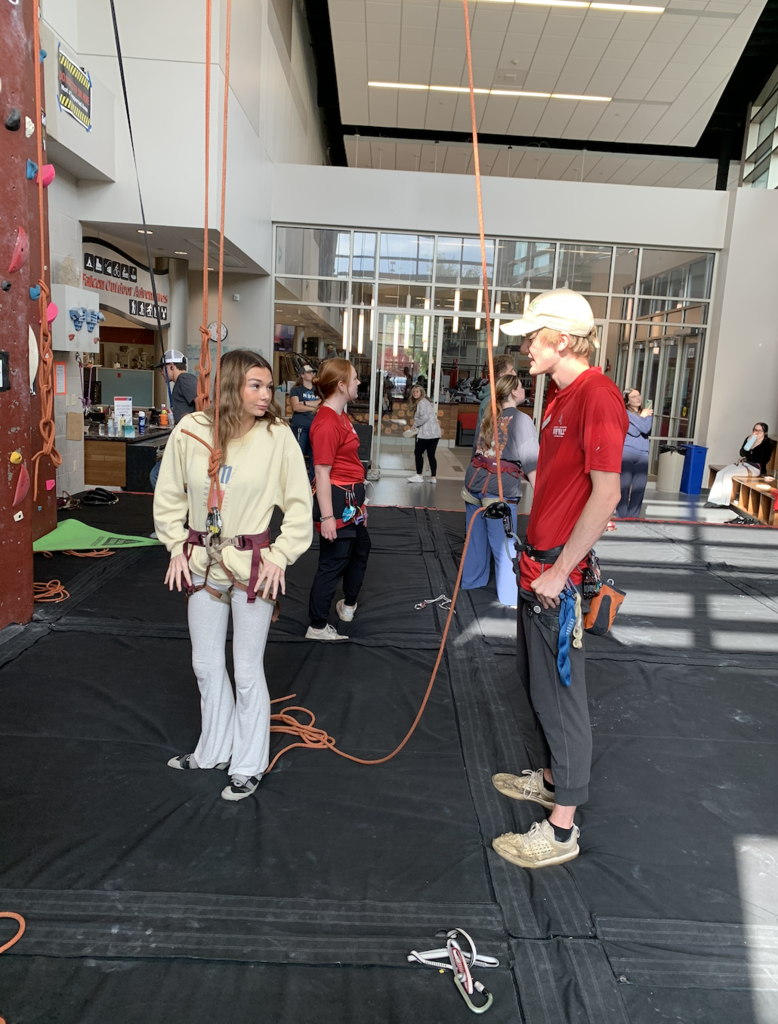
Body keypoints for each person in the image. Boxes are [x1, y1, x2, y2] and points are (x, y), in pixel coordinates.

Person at [489, 289, 627, 869]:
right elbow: (582, 487)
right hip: (539, 563)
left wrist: (563, 570)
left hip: (556, 576)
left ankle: (562, 829)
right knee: (536, 682)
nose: (524, 348)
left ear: (562, 341)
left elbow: (608, 491)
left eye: (532, 337)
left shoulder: (597, 395)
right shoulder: (559, 396)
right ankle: (550, 778)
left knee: (562, 696)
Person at [153, 349, 312, 802]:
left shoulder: (277, 435)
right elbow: (169, 496)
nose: (266, 395)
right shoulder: (191, 431)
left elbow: (299, 506)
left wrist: (281, 555)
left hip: (253, 568)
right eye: (255, 385)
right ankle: (212, 750)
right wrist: (174, 545)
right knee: (204, 665)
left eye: (269, 386)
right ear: (230, 387)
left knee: (245, 670)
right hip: (203, 562)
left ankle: (248, 763)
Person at [306, 359, 371, 641]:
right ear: (342, 385)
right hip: (336, 498)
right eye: (355, 379)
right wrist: (327, 516)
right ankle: (317, 626)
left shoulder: (341, 416)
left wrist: (360, 505)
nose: (359, 383)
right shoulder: (327, 422)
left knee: (361, 548)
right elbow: (321, 470)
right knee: (332, 562)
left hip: (350, 499)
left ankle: (347, 605)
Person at [461, 375, 538, 607]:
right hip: (499, 490)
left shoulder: (489, 417)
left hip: (474, 485)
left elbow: (479, 452)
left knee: (474, 542)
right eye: (522, 386)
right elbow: (533, 463)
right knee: (505, 547)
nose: (524, 389)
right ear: (514, 392)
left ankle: (472, 582)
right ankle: (508, 595)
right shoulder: (522, 421)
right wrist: (542, 497)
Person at [707, 423, 774, 506]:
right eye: (755, 430)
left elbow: (764, 460)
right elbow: (742, 453)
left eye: (760, 431)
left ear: (765, 432)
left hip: (755, 468)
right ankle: (714, 499)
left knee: (728, 475)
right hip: (744, 464)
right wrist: (749, 444)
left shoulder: (767, 443)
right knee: (720, 473)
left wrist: (751, 453)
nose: (756, 432)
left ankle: (723, 501)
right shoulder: (749, 439)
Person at [616, 388, 652, 518]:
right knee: (623, 487)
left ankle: (633, 518)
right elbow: (635, 432)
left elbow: (646, 428)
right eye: (633, 397)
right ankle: (622, 516)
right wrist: (641, 417)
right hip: (627, 452)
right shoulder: (623, 413)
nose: (638, 398)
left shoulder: (646, 413)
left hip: (643, 454)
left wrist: (641, 417)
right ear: (627, 401)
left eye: (638, 395)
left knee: (639, 488)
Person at [289, 364, 321, 480]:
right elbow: (296, 407)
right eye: (309, 372)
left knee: (314, 457)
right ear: (302, 375)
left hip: (315, 428)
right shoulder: (296, 390)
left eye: (313, 372)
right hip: (300, 427)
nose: (312, 374)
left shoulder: (318, 389)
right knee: (298, 455)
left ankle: (313, 483)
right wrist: (314, 407)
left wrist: (304, 403)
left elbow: (321, 403)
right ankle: (296, 480)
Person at [406, 384, 442, 484]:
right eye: (413, 392)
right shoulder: (427, 402)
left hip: (426, 433)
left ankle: (419, 475)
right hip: (435, 433)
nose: (415, 393)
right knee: (431, 454)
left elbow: (424, 417)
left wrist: (414, 425)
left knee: (418, 453)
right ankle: (433, 477)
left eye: (417, 391)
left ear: (421, 392)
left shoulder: (421, 403)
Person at [476, 353, 516, 432]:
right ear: (502, 375)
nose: (514, 373)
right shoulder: (491, 401)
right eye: (511, 371)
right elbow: (487, 434)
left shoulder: (500, 398)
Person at [158, 349, 198, 425]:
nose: (161, 373)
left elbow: (200, 401)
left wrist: (198, 425)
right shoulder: (182, 380)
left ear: (172, 366)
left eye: (162, 368)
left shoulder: (184, 379)